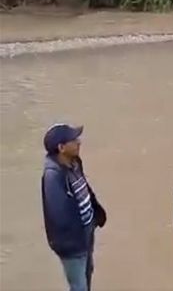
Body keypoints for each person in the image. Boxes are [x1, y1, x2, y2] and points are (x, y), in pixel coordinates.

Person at [41, 124, 107, 291]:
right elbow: (60, 217)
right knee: (79, 286)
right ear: (61, 148)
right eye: (73, 140)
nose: (79, 142)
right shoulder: (52, 177)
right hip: (72, 243)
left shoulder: (75, 163)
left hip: (86, 232)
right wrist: (76, 242)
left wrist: (96, 213)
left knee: (87, 274)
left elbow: (83, 188)